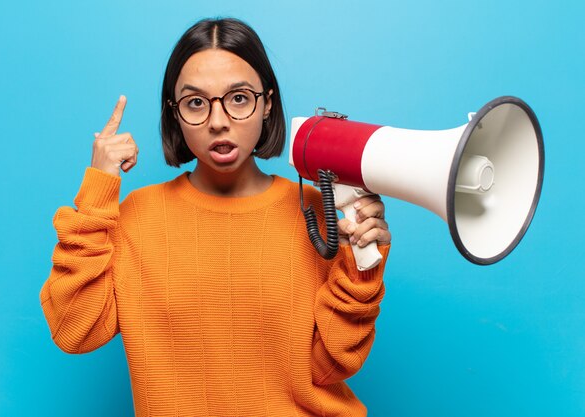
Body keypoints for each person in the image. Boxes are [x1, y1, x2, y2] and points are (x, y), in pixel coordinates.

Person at [40, 17, 391, 417]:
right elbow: (74, 331)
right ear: (174, 114)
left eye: (239, 98)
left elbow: (332, 365)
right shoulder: (136, 217)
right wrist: (97, 191)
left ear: (267, 104)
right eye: (195, 103)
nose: (218, 120)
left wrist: (361, 268)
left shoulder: (318, 212)